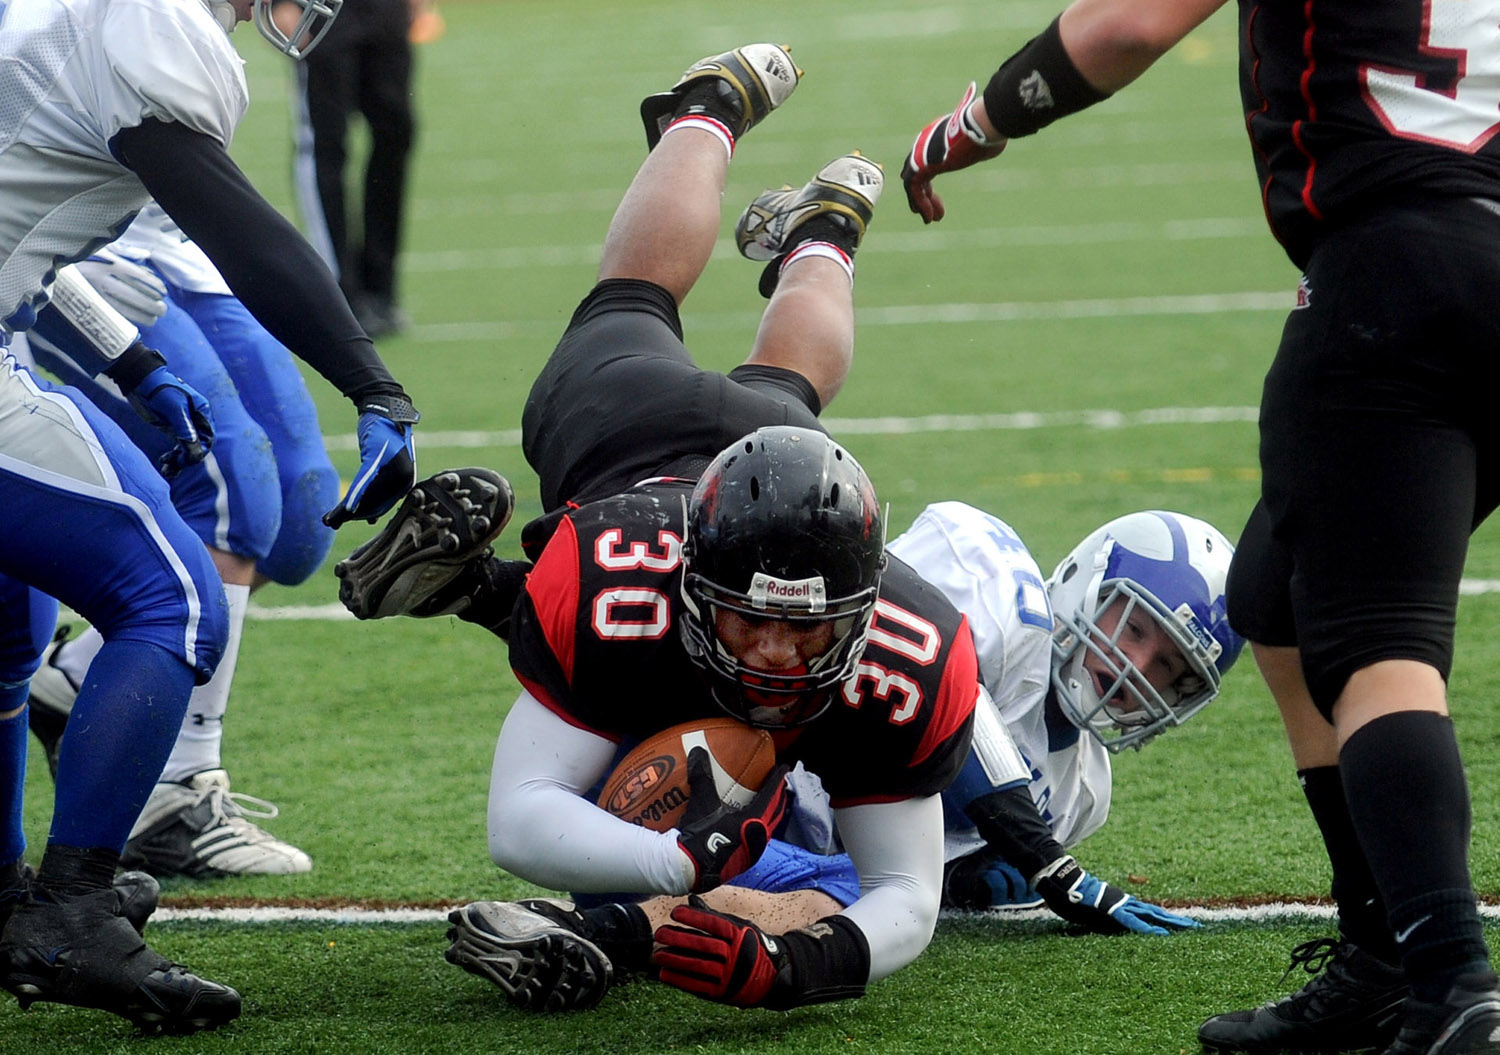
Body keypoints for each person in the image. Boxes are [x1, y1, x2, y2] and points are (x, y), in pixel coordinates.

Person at [896, 3, 1500, 1053]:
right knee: (1276, 592)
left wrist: (971, 125)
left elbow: (1125, 23)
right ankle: (1377, 954)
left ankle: (1450, 984)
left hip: (1399, 268)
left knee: (1375, 643)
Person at [336, 44, 985, 1012]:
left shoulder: (913, 651)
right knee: (636, 295)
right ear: (687, 578)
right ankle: (729, 128)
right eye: (749, 618)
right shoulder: (622, 570)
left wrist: (801, 964)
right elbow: (517, 821)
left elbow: (907, 894)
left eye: (803, 626)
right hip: (624, 446)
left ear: (864, 604)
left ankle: (747, 153)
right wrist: (678, 856)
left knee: (755, 374)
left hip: (748, 447)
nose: (772, 648)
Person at [0, 0, 421, 1030]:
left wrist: (134, 357)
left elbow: (26, 232)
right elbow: (242, 231)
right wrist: (371, 382)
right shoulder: (151, 28)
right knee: (175, 593)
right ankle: (72, 911)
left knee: (11, 631)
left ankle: (10, 897)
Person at [435, 503, 1244, 1012]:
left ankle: (584, 935)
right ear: (1083, 579)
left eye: (1172, 669)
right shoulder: (996, 579)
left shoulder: (1084, 795)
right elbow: (950, 696)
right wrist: (1042, 859)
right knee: (668, 665)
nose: (1137, 668)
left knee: (848, 898)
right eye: (1137, 630)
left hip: (781, 851)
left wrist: (983, 875)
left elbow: (922, 878)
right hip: (746, 743)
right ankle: (493, 593)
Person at [22, 206, 345, 878]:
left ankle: (77, 674)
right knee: (230, 495)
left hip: (176, 239)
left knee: (297, 518)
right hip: (60, 248)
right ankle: (174, 788)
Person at [288, 0, 420, 338]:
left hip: (384, 11)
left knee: (396, 131)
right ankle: (338, 291)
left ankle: (380, 286)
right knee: (325, 142)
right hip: (322, 10)